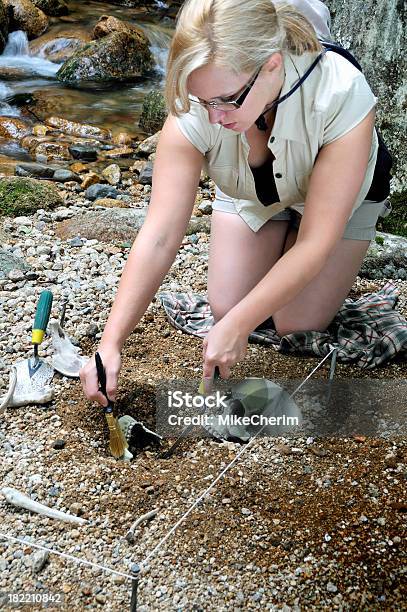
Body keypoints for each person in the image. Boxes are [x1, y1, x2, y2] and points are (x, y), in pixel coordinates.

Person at [80, 0, 392, 406]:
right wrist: (110, 342)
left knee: (296, 322)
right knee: (226, 304)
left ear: (272, 66)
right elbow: (159, 233)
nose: (213, 118)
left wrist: (239, 326)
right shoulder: (199, 102)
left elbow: (315, 243)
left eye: (227, 99)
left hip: (337, 197)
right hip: (252, 191)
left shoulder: (341, 92)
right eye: (202, 100)